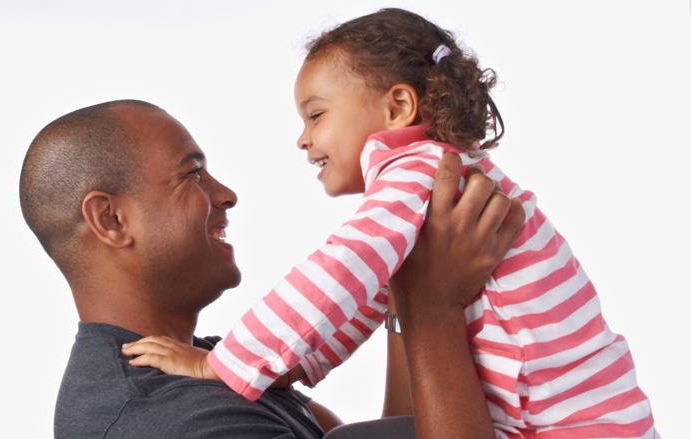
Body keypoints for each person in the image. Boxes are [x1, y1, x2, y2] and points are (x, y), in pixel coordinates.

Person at [135, 8, 657, 438]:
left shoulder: (421, 172)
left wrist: (223, 364)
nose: (303, 139)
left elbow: (339, 272)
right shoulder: (435, 178)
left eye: (316, 115)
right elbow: (368, 300)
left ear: (399, 106)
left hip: (579, 425)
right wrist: (290, 367)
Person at [20, 99, 523, 438]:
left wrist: (404, 283)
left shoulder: (214, 371)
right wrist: (435, 307)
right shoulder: (174, 419)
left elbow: (400, 431)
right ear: (110, 219)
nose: (226, 194)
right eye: (192, 175)